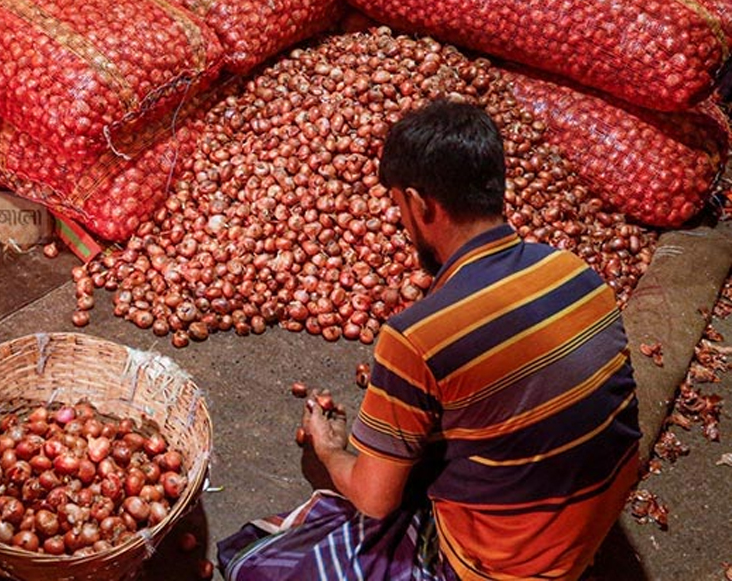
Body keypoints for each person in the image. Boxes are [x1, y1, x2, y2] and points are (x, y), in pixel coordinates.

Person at [218, 100, 642, 581]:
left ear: (421, 205)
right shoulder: (577, 273)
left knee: (256, 567)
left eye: (399, 207)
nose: (402, 225)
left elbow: (375, 501)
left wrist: (331, 450)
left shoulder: (417, 337)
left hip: (506, 568)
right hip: (590, 531)